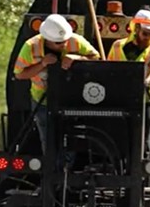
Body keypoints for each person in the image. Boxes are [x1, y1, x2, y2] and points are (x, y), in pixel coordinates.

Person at [14, 14, 100, 153]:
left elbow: (97, 59)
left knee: (71, 138)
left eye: (65, 40)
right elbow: (19, 74)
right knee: (48, 139)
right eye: (59, 43)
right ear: (47, 39)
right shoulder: (30, 47)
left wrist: (77, 57)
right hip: (42, 100)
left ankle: (68, 169)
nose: (64, 44)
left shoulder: (76, 41)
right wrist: (42, 63)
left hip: (71, 99)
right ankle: (51, 169)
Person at [107, 9, 150, 153]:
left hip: (146, 102)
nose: (148, 37)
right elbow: (109, 68)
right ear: (136, 28)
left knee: (143, 144)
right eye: (145, 33)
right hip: (121, 102)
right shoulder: (118, 46)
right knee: (119, 142)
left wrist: (149, 81)